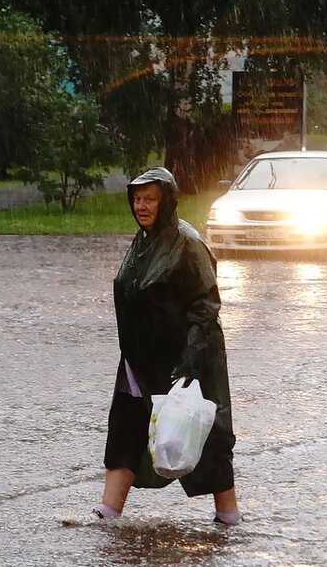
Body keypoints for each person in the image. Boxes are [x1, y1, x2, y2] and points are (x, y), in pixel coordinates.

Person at [95, 167, 240, 526]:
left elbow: (206, 306)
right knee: (126, 427)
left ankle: (228, 515)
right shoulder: (142, 241)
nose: (141, 206)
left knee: (203, 434)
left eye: (150, 199)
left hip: (183, 359)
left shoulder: (187, 243)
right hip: (139, 361)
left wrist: (190, 363)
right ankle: (108, 510)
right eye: (137, 199)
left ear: (167, 201)